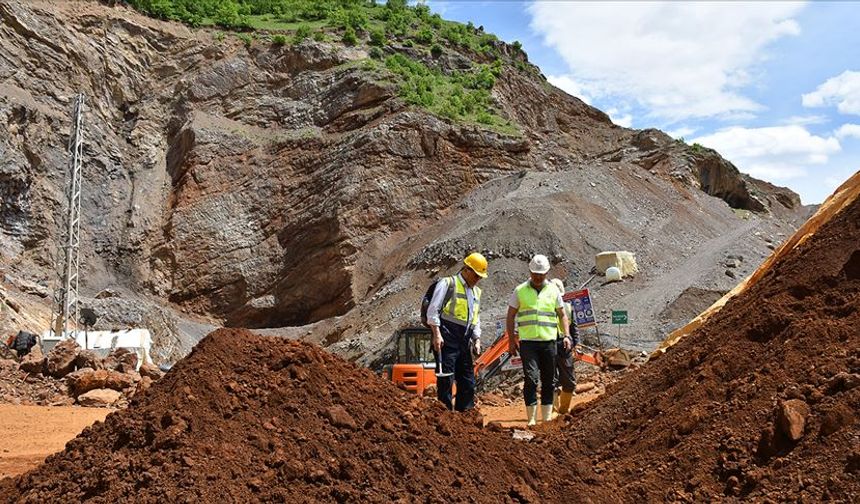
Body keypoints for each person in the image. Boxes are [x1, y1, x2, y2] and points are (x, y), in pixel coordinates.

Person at [506, 254, 572, 426]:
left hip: (549, 342)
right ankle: (532, 419)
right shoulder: (520, 291)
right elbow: (510, 315)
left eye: (541, 274)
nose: (537, 276)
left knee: (549, 379)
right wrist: (511, 340)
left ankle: (547, 418)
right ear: (529, 271)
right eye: (535, 273)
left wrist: (566, 335)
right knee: (531, 378)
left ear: (547, 273)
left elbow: (562, 314)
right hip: (528, 343)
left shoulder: (554, 290)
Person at [426, 252, 488, 411]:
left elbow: (475, 316)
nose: (478, 279)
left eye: (480, 277)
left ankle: (465, 415)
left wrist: (477, 338)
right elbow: (433, 311)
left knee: (468, 380)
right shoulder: (448, 284)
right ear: (466, 269)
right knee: (446, 378)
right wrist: (436, 334)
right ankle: (445, 414)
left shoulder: (476, 292)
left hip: (464, 340)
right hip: (447, 338)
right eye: (476, 275)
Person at [550, 278, 578, 416]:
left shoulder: (567, 308)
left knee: (570, 382)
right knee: (550, 381)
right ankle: (553, 413)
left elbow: (574, 328)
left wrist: (574, 344)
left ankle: (563, 410)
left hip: (564, 345)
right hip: (548, 345)